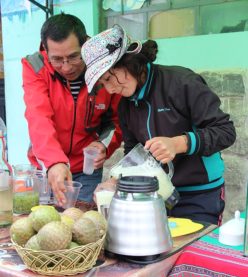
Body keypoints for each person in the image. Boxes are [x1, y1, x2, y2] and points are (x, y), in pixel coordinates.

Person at [81, 24, 236, 224]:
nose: (110, 89)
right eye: (103, 84)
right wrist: (116, 181)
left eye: (110, 77)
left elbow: (225, 131)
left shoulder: (181, 82)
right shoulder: (125, 106)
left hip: (200, 194)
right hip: (156, 195)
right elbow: (134, 154)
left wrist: (178, 144)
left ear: (129, 61)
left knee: (191, 252)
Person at [22, 14, 122, 207]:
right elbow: (38, 116)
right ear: (45, 49)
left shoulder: (104, 66)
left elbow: (119, 120)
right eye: (57, 59)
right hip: (46, 168)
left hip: (87, 170)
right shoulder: (35, 67)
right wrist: (53, 162)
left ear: (85, 43)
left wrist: (104, 145)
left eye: (74, 56)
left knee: (80, 227)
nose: (66, 67)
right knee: (43, 228)